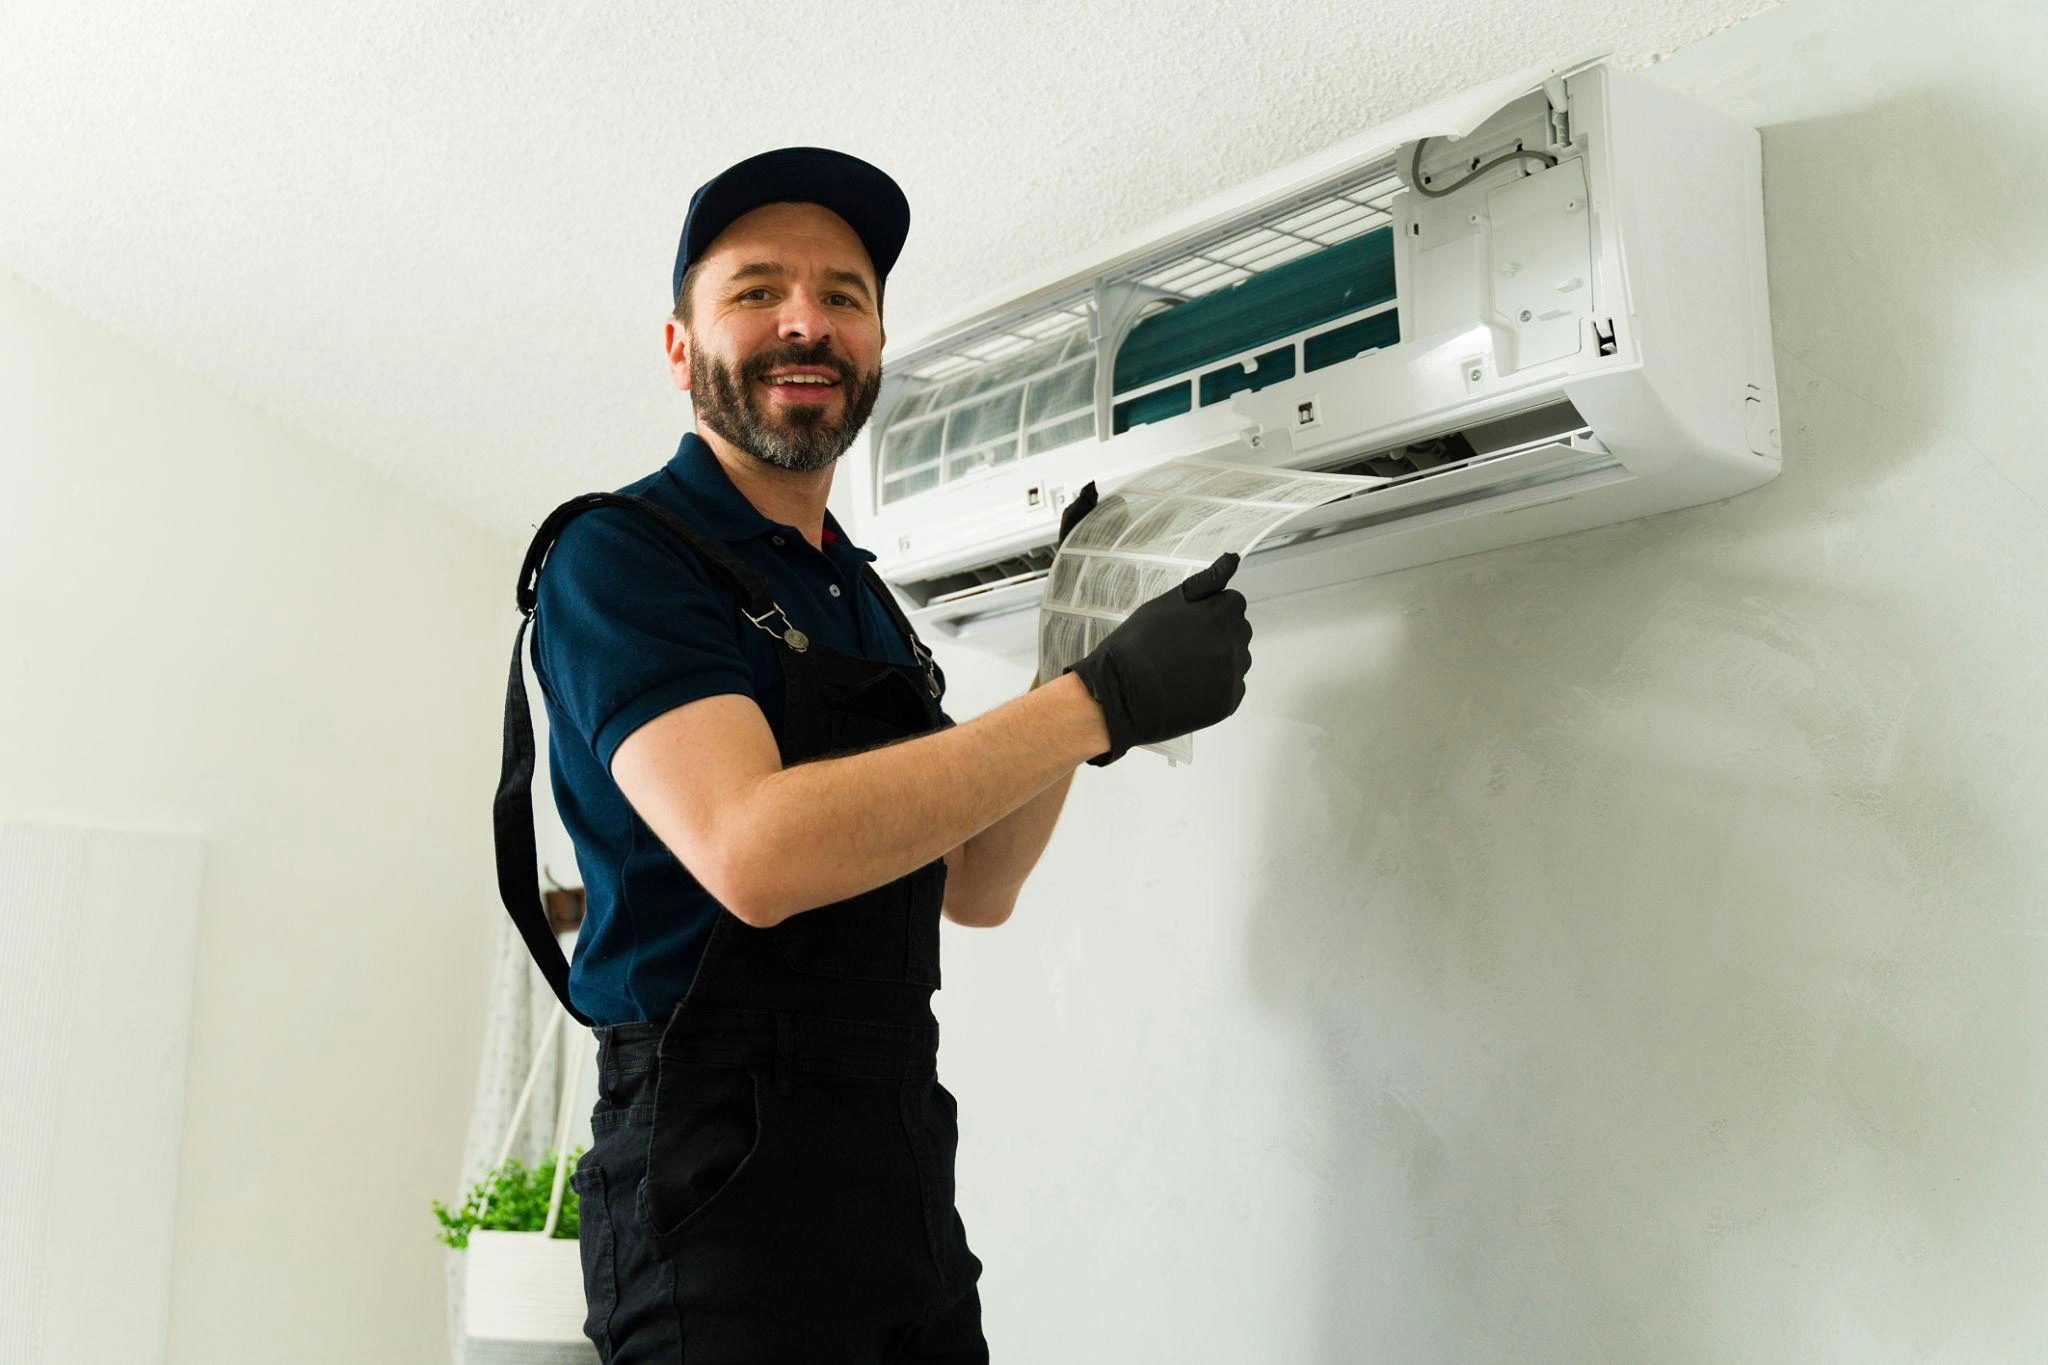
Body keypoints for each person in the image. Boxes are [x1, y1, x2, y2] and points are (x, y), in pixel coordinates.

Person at [492, 146, 1253, 1363]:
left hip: (899, 1172)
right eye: (756, 291)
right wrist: (1093, 704)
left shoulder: (860, 598)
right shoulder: (624, 556)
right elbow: (753, 854)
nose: (806, 321)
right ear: (680, 349)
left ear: (875, 346)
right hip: (716, 1193)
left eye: (842, 296)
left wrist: (1075, 648)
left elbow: (978, 883)